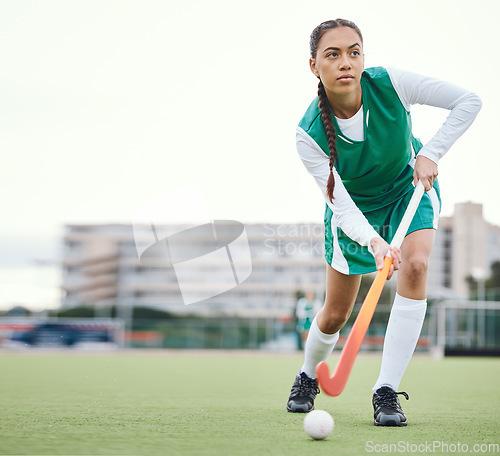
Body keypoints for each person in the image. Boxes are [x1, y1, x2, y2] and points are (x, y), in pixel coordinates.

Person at [286, 19, 481, 426]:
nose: (346, 62)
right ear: (313, 66)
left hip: (408, 189)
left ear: (364, 58)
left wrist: (431, 153)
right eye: (333, 54)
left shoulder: (392, 84)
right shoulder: (309, 136)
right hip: (353, 213)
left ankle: (386, 391)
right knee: (336, 313)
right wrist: (375, 243)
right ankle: (307, 377)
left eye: (354, 52)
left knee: (416, 265)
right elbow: (340, 207)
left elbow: (468, 101)